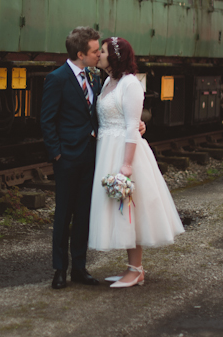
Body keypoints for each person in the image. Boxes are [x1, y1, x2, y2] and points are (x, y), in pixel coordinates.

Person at [40, 27, 147, 290]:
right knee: (63, 214)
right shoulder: (57, 78)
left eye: (101, 50)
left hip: (93, 156)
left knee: (84, 214)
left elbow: (110, 113)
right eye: (95, 50)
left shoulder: (97, 78)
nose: (99, 53)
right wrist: (56, 153)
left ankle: (79, 267)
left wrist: (136, 127)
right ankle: (59, 269)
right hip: (67, 158)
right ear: (80, 54)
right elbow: (46, 120)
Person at [88, 36, 185, 288]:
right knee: (118, 208)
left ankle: (136, 269)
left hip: (124, 151)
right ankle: (131, 268)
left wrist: (127, 165)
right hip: (107, 149)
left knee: (129, 208)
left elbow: (132, 126)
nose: (99, 54)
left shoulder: (130, 84)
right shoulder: (108, 81)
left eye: (104, 51)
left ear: (116, 57)